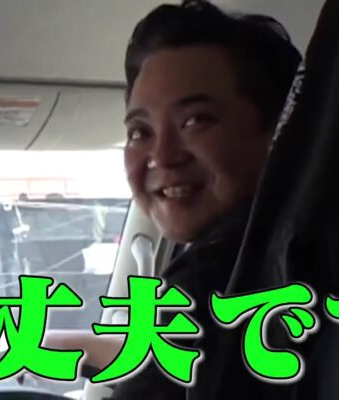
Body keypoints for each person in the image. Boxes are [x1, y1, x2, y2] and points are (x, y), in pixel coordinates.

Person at [43, 0, 332, 398]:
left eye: (196, 120)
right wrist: (88, 348)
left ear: (276, 133)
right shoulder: (290, 259)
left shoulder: (215, 275)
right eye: (140, 132)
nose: (162, 156)